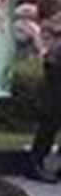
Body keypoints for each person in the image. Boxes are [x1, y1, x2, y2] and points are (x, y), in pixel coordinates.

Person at [27, 14, 61, 183]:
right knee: (48, 128)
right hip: (55, 94)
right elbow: (51, 65)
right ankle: (35, 165)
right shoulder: (56, 49)